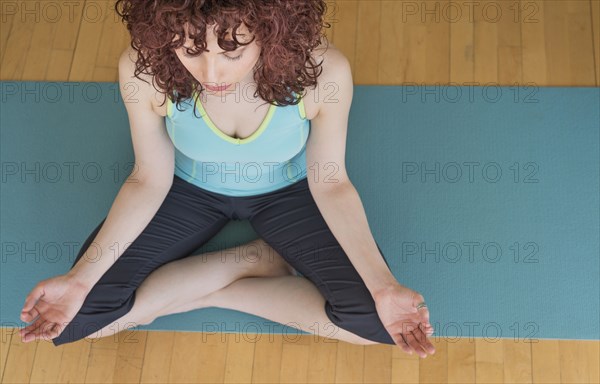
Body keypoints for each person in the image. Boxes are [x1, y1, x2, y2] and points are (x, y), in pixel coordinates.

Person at [19, 0, 435, 357]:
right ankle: (256, 259)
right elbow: (148, 178)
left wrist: (384, 288)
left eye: (232, 51)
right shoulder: (142, 68)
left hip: (288, 193)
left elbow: (331, 183)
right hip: (188, 189)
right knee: (79, 318)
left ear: (270, 31)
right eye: (189, 48)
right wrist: (78, 282)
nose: (210, 72)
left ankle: (214, 292)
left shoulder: (323, 71)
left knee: (377, 323)